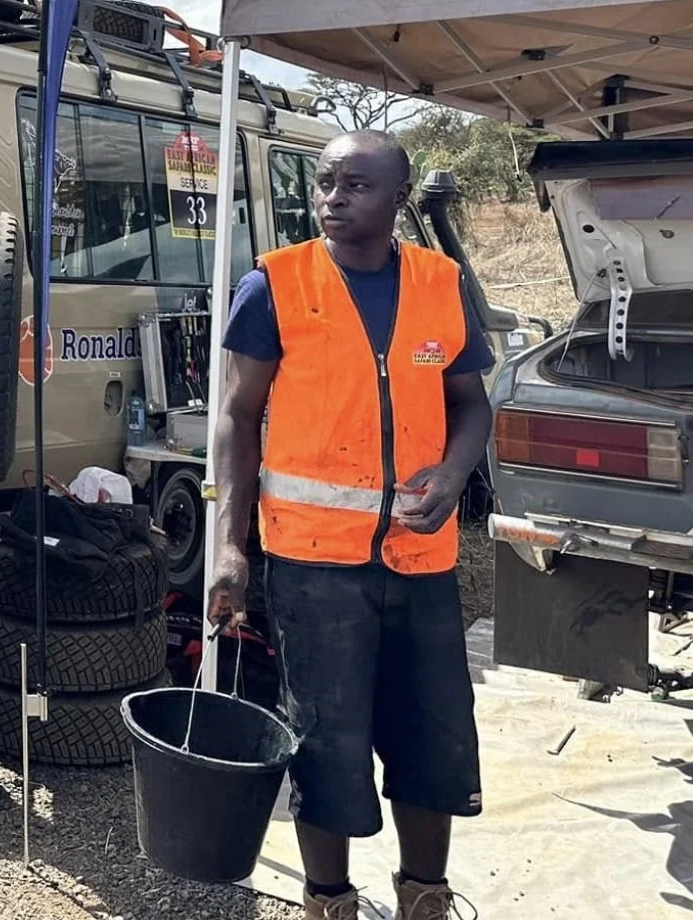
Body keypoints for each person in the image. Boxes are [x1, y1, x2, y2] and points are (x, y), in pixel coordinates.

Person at [208, 130, 493, 920]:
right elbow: (237, 417)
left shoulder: (441, 283)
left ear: (399, 197)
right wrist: (232, 546)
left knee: (431, 738)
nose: (332, 198)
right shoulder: (274, 284)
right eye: (326, 183)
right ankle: (327, 900)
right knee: (324, 741)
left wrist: (456, 471)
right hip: (312, 565)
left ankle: (425, 897)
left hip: (420, 560)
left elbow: (473, 404)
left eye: (356, 186)